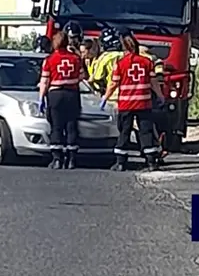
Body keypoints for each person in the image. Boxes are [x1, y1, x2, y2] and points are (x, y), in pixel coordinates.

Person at [100, 30, 167, 171]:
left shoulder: (120, 64)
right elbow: (154, 82)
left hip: (126, 104)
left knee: (124, 131)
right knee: (146, 132)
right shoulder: (147, 62)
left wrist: (105, 98)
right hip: (144, 104)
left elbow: (113, 84)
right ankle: (151, 162)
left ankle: (120, 162)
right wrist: (160, 96)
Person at [38, 31, 84, 169]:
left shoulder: (50, 59)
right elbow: (83, 76)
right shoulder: (76, 59)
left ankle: (57, 159)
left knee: (56, 126)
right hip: (72, 93)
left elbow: (45, 81)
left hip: (55, 94)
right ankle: (71, 160)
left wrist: (41, 98)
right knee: (71, 126)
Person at [88, 27, 123, 95]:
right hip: (126, 94)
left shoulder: (104, 58)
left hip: (111, 95)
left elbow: (97, 77)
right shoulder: (126, 55)